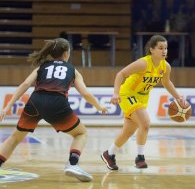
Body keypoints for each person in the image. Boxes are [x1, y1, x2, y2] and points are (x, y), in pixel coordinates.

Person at [0, 38, 108, 182]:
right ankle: (72, 164)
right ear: (66, 53)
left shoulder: (42, 67)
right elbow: (86, 94)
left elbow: (25, 84)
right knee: (81, 133)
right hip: (57, 103)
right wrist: (99, 106)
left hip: (35, 101)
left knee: (15, 137)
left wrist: (7, 107)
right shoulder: (73, 70)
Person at [101, 35, 184, 170]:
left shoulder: (166, 66)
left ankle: (109, 154)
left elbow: (166, 82)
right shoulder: (143, 63)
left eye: (166, 48)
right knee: (145, 123)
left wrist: (177, 96)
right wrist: (115, 93)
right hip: (128, 94)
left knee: (128, 132)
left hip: (142, 98)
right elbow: (120, 74)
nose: (164, 51)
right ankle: (140, 157)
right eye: (160, 48)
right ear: (151, 50)